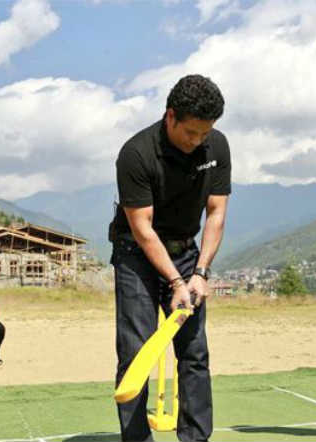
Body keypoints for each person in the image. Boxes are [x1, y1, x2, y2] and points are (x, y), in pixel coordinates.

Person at [108, 74, 230, 442]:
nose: (197, 142)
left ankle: (195, 438)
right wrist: (176, 282)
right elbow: (143, 228)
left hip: (187, 253)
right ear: (170, 116)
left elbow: (217, 213)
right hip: (136, 254)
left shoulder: (217, 146)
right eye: (191, 132)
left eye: (204, 134)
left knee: (194, 351)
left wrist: (200, 273)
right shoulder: (137, 154)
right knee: (136, 352)